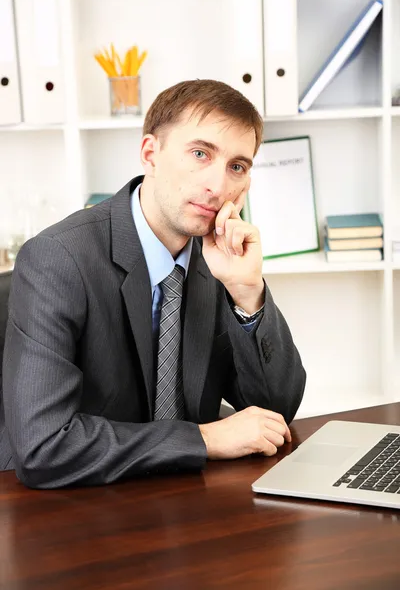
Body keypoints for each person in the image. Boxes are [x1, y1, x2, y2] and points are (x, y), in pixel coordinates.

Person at [0, 79, 306, 488]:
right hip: (68, 503)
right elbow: (44, 447)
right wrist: (203, 438)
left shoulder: (219, 258)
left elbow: (275, 413)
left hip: (181, 497)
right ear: (151, 154)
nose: (217, 187)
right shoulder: (58, 259)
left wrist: (248, 294)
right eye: (200, 153)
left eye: (237, 166)